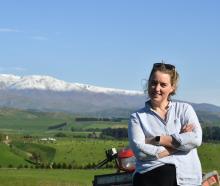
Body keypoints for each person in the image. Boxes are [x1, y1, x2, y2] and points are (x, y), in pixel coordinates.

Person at [128, 62, 202, 186]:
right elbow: (140, 152)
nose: (157, 88)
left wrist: (157, 139)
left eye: (163, 85)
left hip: (188, 180)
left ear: (172, 87)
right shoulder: (137, 117)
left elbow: (195, 139)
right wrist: (180, 142)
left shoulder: (185, 109)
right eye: (153, 83)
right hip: (150, 178)